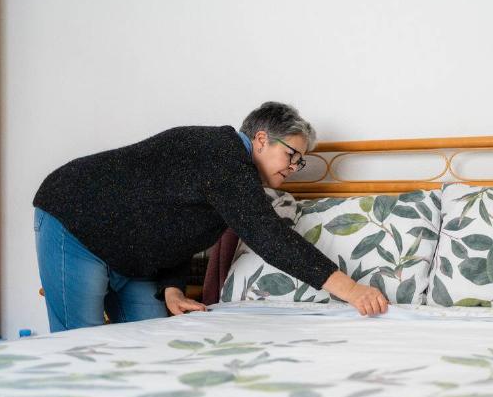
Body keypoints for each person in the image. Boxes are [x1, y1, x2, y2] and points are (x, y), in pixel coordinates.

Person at [33, 102, 388, 332]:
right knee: (82, 345)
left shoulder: (235, 181)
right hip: (77, 219)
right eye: (293, 155)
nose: (295, 168)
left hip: (133, 259)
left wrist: (172, 287)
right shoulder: (222, 154)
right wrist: (353, 290)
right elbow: (270, 238)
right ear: (261, 139)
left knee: (153, 347)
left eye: (301, 161)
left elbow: (175, 225)